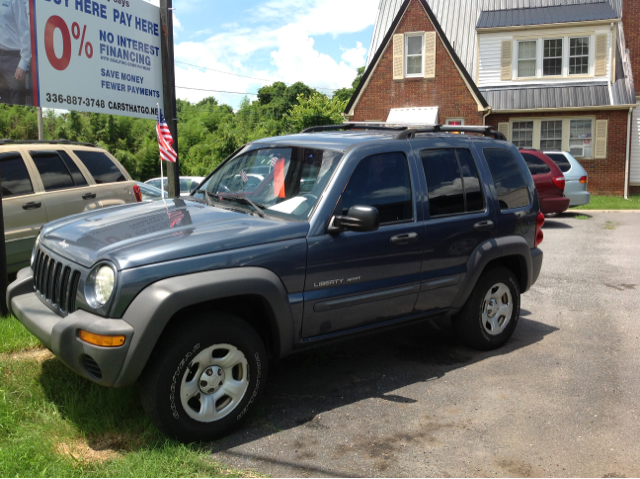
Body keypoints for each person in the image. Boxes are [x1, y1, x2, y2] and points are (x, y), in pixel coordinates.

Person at [0, 0, 31, 105]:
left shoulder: (15, 1)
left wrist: (23, 63)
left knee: (17, 104)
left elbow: (25, 31)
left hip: (13, 60)